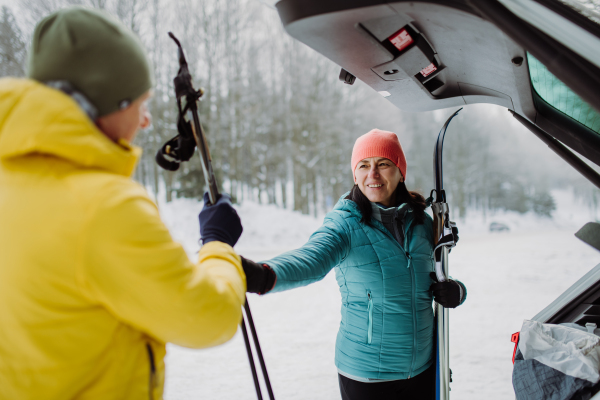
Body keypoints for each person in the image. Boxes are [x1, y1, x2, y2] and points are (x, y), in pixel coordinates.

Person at [0, 7, 246, 400]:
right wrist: (218, 245)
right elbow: (207, 317)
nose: (146, 122)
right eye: (140, 103)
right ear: (103, 103)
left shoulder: (9, 178)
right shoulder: (102, 207)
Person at [241, 129, 467, 400]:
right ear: (355, 174)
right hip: (368, 376)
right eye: (363, 165)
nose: (373, 174)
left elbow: (437, 278)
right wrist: (264, 275)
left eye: (383, 164)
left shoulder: (423, 223)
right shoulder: (345, 223)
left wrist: (457, 291)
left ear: (400, 172)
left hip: (423, 369)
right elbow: (312, 257)